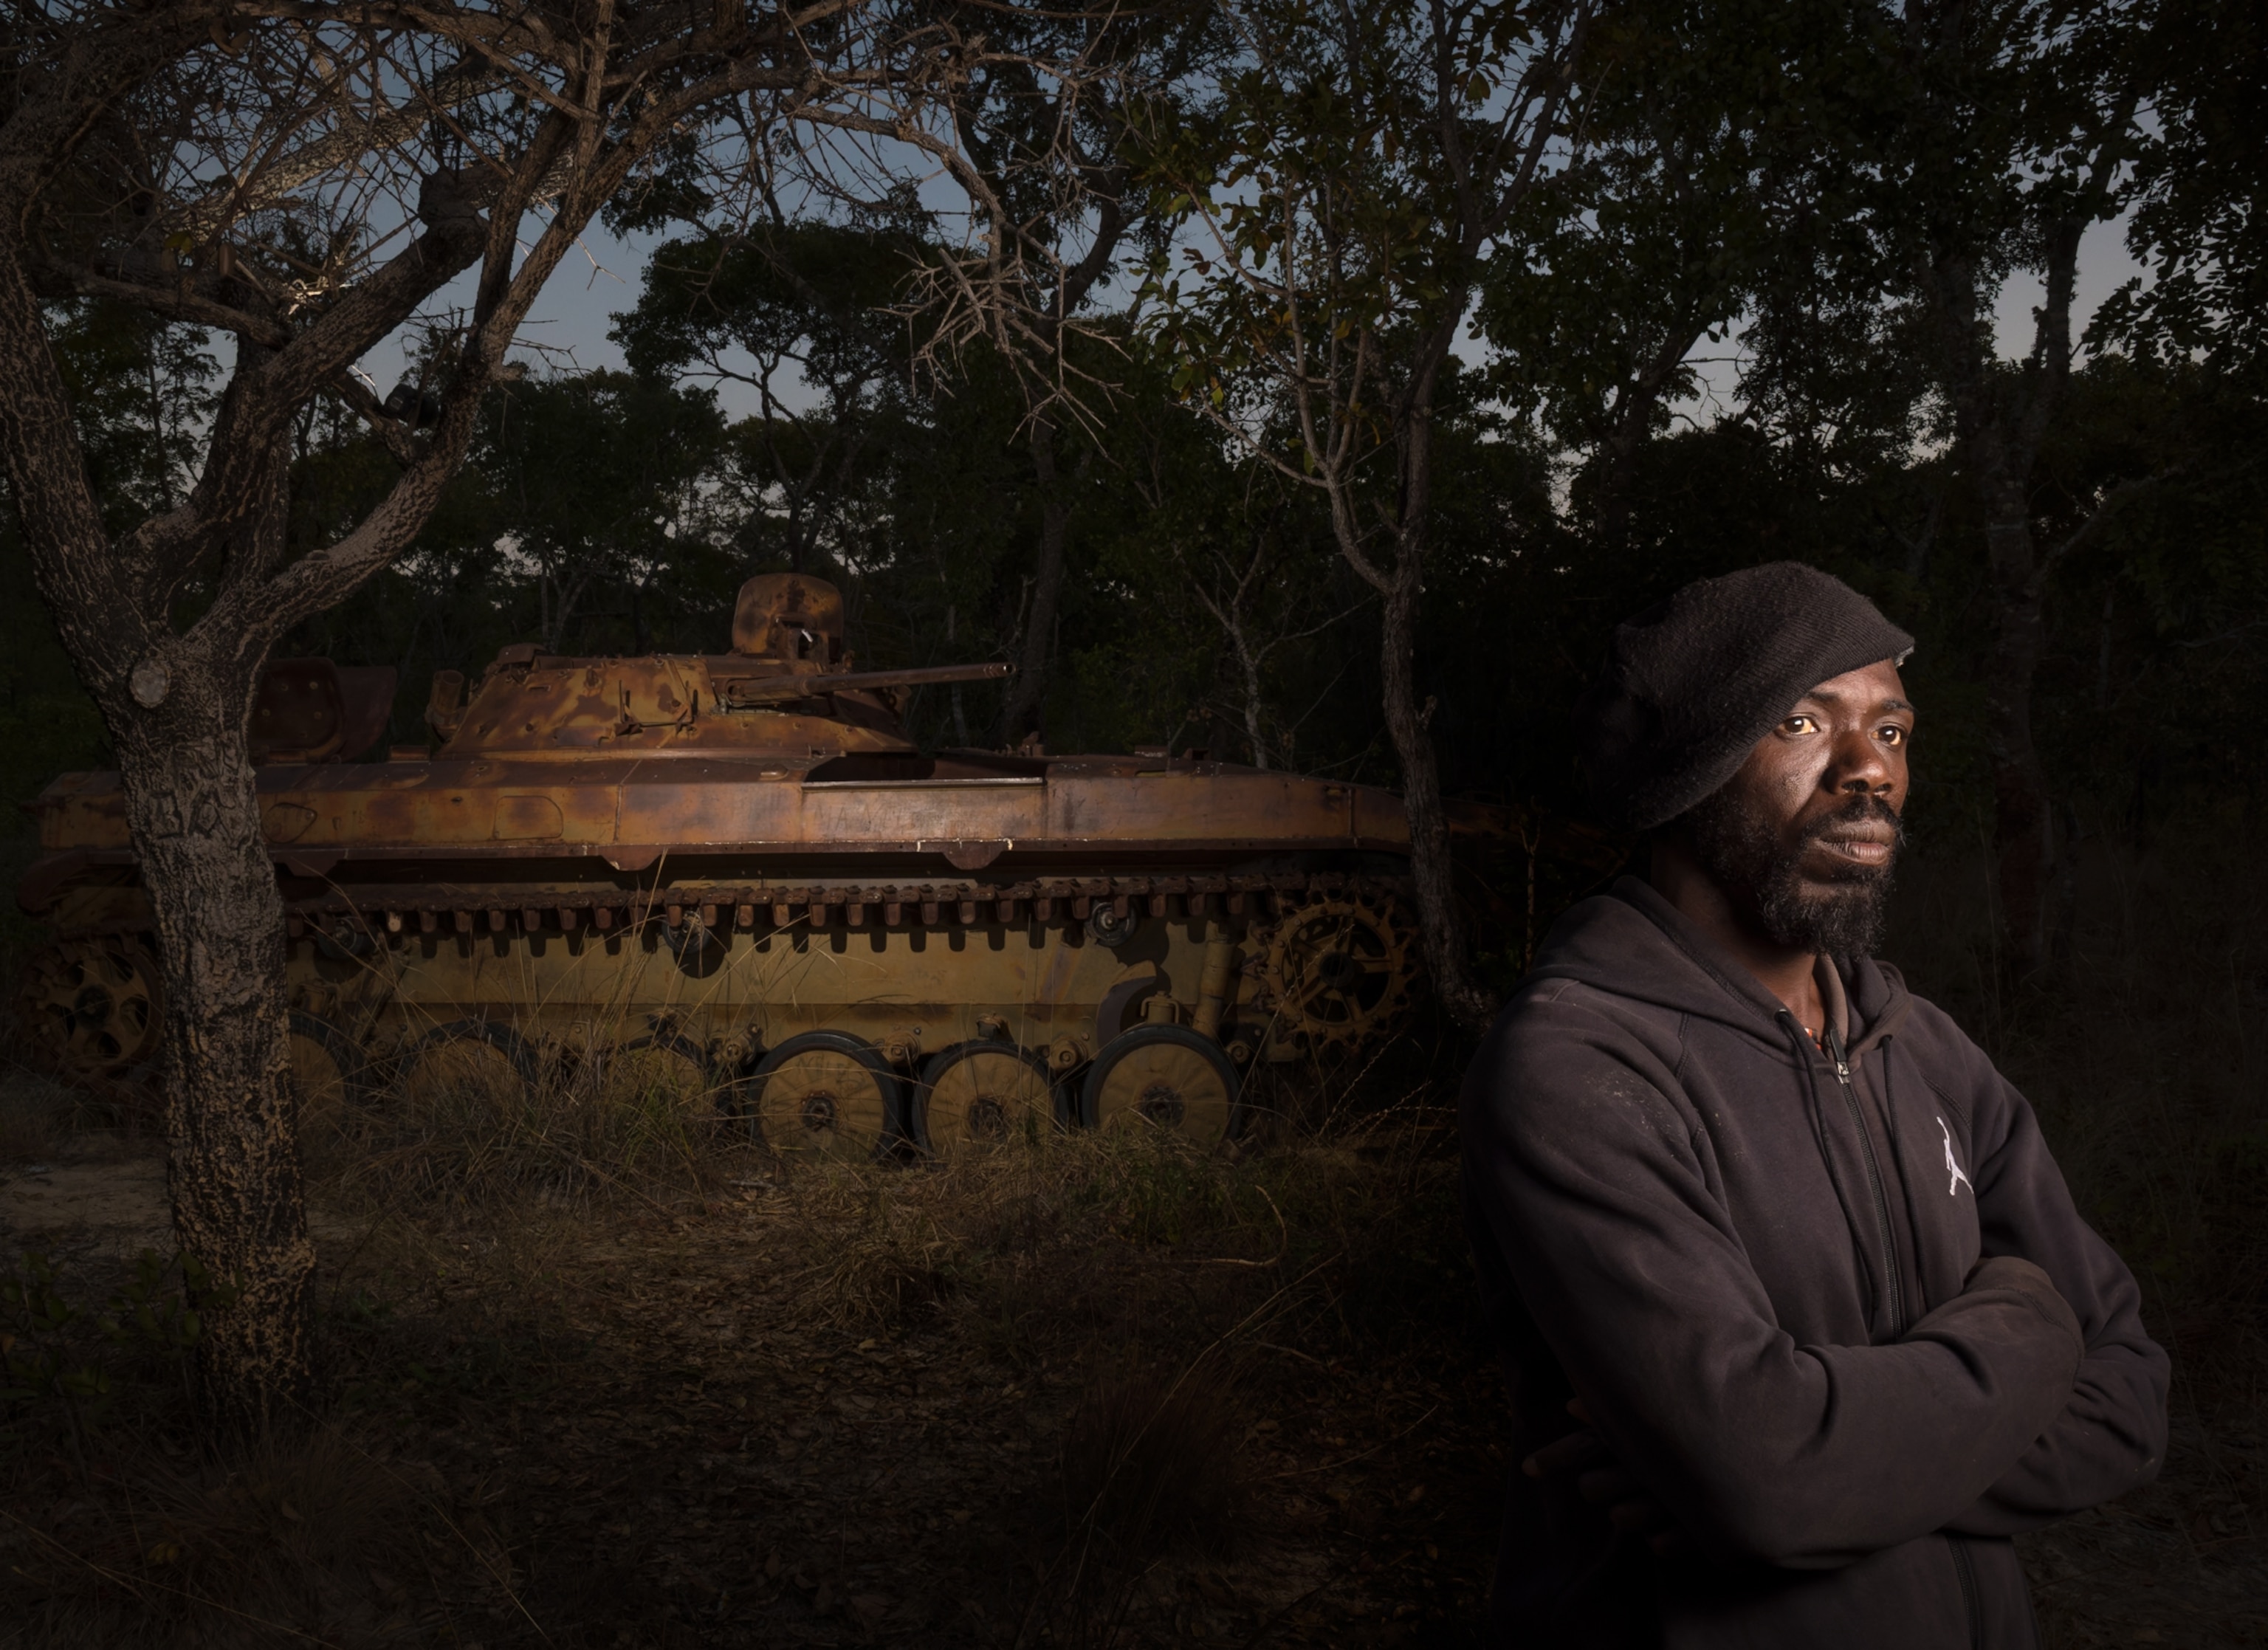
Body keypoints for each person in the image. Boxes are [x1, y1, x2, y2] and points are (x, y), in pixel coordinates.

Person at [1460, 563, 2168, 1648]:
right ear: (1687, 768)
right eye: (1802, 720)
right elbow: (1767, 1481)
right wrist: (2033, 1319)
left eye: (1891, 731)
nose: (1869, 770)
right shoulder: (1578, 1066)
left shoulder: (1923, 1045)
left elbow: (2129, 1400)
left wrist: (1813, 1474)